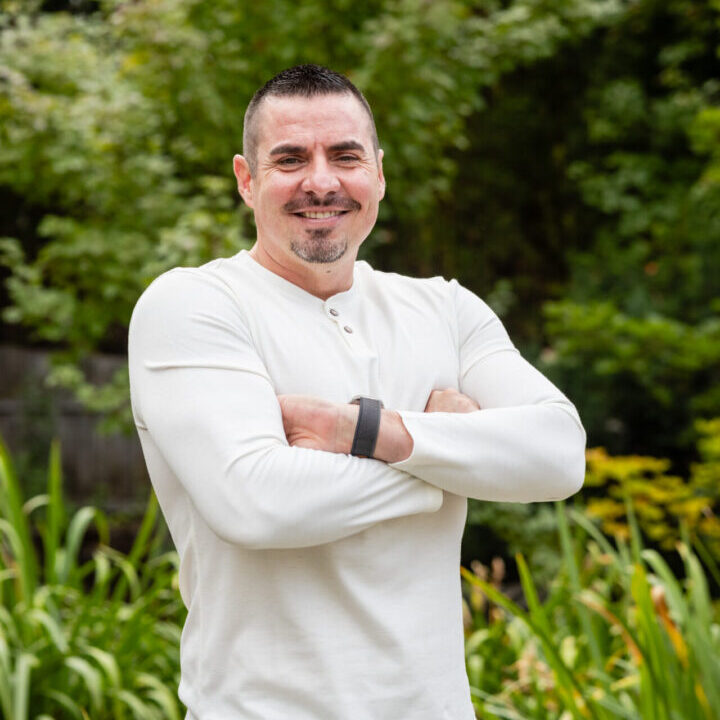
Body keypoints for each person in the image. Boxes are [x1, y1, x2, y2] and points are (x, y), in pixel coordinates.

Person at [128, 64, 586, 720]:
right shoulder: (195, 305)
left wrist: (372, 433)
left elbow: (561, 456)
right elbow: (257, 504)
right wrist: (455, 464)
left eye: (345, 156)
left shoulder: (445, 309)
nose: (321, 180)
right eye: (290, 158)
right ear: (246, 179)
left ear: (378, 172)